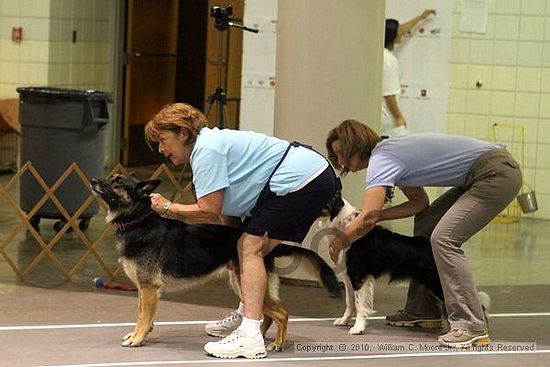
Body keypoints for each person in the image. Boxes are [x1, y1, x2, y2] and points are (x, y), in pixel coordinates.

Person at [145, 103, 339, 359]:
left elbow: (208, 210)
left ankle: (250, 335)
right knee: (243, 249)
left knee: (249, 248)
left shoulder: (206, 151)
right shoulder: (207, 146)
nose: (161, 149)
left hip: (302, 180)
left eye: (162, 140)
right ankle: (249, 312)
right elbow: (228, 206)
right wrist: (228, 244)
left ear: (182, 133)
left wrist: (167, 207)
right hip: (305, 177)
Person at [325, 120, 522, 348]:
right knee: (427, 224)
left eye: (342, 154)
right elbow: (419, 203)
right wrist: (378, 215)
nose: (340, 162)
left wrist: (339, 241)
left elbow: (368, 217)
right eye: (335, 156)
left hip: (495, 173)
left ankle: (471, 324)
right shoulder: (389, 151)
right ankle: (424, 310)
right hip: (482, 173)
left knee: (444, 239)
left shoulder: (382, 158)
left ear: (355, 145)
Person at [381, 9, 436, 137]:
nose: (402, 32)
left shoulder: (381, 54)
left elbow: (402, 28)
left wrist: (420, 17)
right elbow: (389, 95)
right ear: (393, 36)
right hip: (388, 122)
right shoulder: (389, 60)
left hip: (383, 120)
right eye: (399, 32)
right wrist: (399, 118)